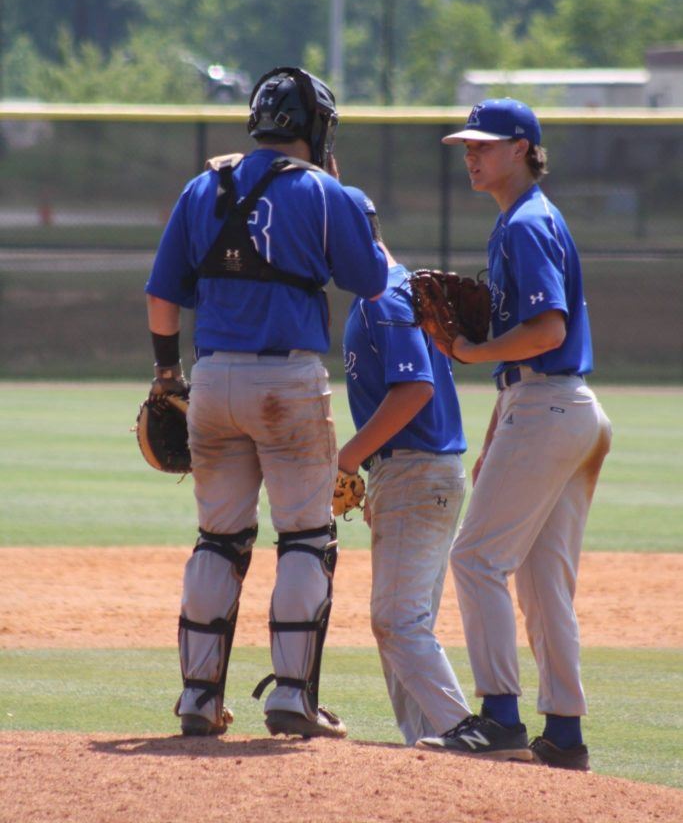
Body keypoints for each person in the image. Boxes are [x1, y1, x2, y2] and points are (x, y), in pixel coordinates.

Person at [144, 66, 388, 740]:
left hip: (213, 379)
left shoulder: (203, 186)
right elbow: (369, 281)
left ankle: (197, 700)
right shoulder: (320, 189)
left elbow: (162, 298)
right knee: (306, 537)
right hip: (287, 385)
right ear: (315, 129)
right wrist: (343, 205)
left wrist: (167, 377)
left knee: (217, 541)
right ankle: (291, 698)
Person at [417, 98, 612, 769]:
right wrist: (500, 418)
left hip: (549, 406)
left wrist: (470, 353)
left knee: (474, 560)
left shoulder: (525, 224)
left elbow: (548, 331)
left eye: (485, 145)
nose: (471, 154)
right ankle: (563, 730)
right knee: (539, 584)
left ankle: (499, 715)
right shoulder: (523, 220)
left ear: (524, 148)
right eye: (467, 145)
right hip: (559, 409)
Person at [338, 185, 472, 746]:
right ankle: (428, 746)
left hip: (418, 471)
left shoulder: (384, 298)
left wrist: (348, 457)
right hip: (415, 473)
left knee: (398, 622)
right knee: (399, 623)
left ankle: (465, 732)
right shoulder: (386, 290)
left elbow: (414, 389)